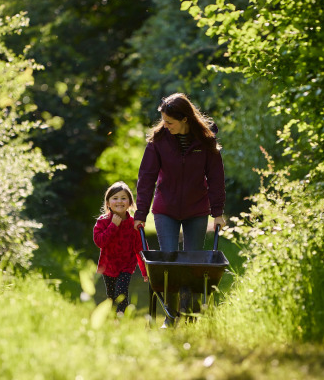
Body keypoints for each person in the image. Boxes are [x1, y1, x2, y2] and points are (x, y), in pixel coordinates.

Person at [134, 93, 225, 326]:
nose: (165, 125)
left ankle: (191, 314)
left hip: (197, 209)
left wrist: (217, 213)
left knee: (193, 263)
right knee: (169, 263)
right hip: (166, 209)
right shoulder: (158, 141)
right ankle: (171, 316)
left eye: (170, 122)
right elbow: (146, 178)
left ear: (185, 119)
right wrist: (140, 213)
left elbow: (216, 178)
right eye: (163, 121)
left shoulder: (205, 140)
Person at [93, 181, 148, 316]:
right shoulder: (103, 221)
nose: (119, 201)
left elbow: (140, 249)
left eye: (123, 198)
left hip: (126, 267)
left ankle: (121, 318)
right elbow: (100, 242)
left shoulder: (133, 224)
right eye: (115, 198)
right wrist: (113, 226)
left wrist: (145, 271)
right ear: (108, 203)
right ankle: (114, 319)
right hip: (108, 267)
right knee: (111, 297)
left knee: (121, 294)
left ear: (130, 203)